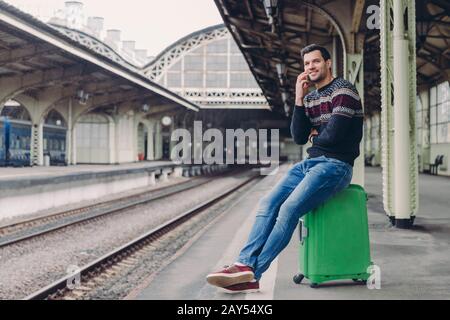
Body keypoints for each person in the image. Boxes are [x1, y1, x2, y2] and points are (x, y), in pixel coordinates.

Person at [206, 44, 364, 294]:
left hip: (336, 166)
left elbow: (334, 137)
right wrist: (299, 99)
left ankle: (253, 274)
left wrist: (318, 133)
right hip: (310, 164)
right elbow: (300, 136)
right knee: (268, 202)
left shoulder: (344, 90)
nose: (311, 67)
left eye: (315, 62)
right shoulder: (310, 98)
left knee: (289, 208)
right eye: (306, 64)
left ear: (328, 63)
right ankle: (243, 264)